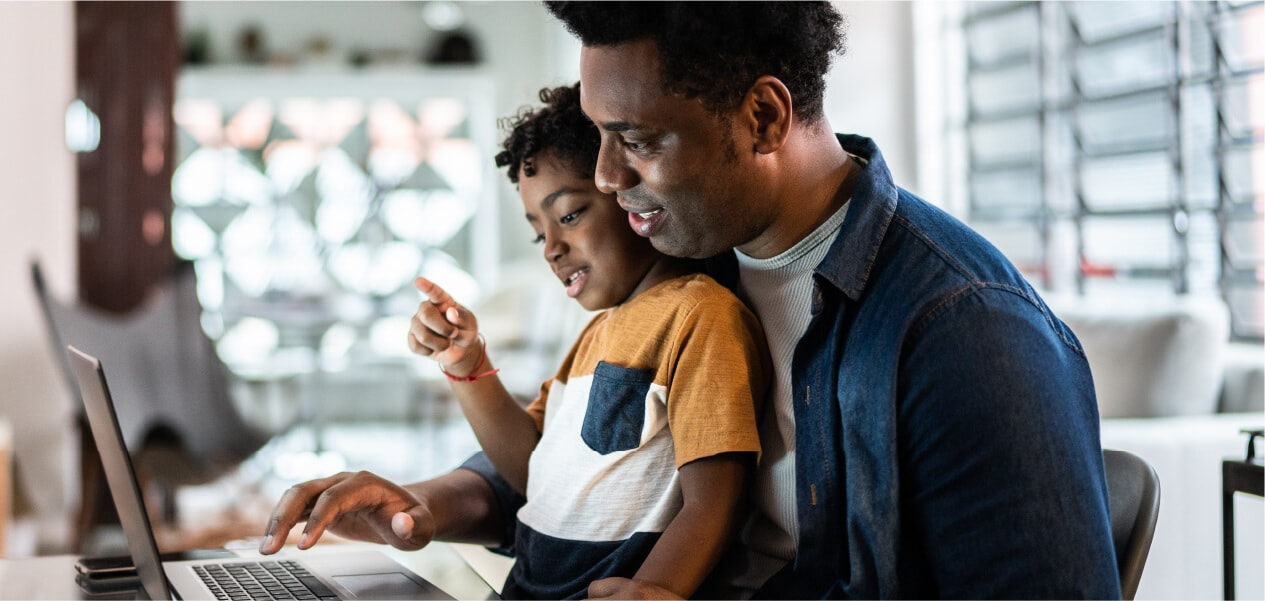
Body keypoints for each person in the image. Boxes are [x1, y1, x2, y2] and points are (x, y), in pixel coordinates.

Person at [261, 3, 1121, 599]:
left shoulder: (965, 334)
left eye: (635, 140)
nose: (603, 177)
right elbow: (574, 457)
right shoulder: (690, 262)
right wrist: (413, 508)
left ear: (761, 117)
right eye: (599, 136)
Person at [404, 83, 769, 599]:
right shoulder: (595, 333)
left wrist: (656, 588)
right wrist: (467, 366)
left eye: (570, 215)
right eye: (538, 232)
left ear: (630, 196)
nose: (552, 249)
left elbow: (715, 499)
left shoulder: (700, 315)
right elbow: (532, 473)